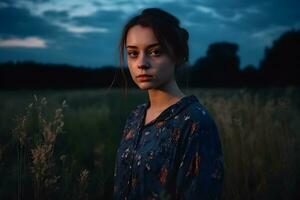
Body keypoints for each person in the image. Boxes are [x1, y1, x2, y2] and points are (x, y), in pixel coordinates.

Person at [113, 8, 224, 200]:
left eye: (155, 52)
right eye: (132, 53)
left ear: (178, 55)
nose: (141, 63)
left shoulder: (195, 122)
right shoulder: (135, 116)